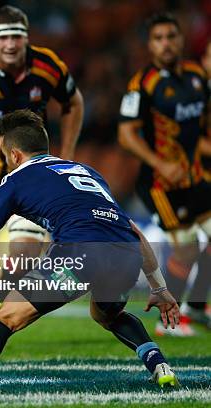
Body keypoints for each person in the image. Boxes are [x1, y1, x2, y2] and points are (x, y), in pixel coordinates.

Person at [0, 110, 180, 392]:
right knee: (107, 314)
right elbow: (135, 232)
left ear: (15, 155)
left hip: (79, 256)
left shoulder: (15, 180)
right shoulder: (86, 171)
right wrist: (159, 287)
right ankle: (159, 366)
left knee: (6, 316)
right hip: (126, 256)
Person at [0, 5, 84, 356]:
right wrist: (14, 143)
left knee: (22, 257)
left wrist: (66, 152)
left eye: (16, 36)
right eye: (3, 37)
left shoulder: (49, 64)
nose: (10, 44)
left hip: (29, 177)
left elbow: (74, 102)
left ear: (26, 38)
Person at [118, 12, 210, 336]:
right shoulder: (142, 84)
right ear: (150, 45)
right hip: (161, 184)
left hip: (195, 177)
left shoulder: (198, 76)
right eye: (159, 39)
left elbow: (197, 131)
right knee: (186, 248)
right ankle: (167, 320)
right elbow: (126, 134)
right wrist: (160, 163)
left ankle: (197, 307)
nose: (166, 44)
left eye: (171, 36)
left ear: (181, 40)